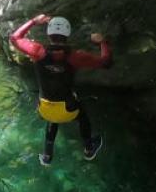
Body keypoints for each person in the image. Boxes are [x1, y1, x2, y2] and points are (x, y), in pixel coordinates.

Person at [9, 13, 112, 166]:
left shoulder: (37, 51)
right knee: (83, 116)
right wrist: (102, 42)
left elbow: (15, 38)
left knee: (53, 115)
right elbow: (106, 62)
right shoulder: (77, 57)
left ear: (49, 34)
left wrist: (34, 21)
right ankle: (89, 149)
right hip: (68, 110)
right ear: (68, 34)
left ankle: (47, 156)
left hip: (44, 109)